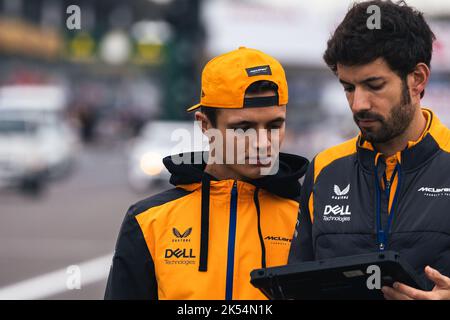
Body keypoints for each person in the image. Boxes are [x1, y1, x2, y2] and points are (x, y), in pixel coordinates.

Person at [105, 47, 309, 299]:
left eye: (274, 125)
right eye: (243, 127)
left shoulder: (307, 217)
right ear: (205, 124)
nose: (263, 143)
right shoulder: (149, 221)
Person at [288, 0, 450, 300]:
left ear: (417, 79)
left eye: (373, 85)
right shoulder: (324, 168)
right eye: (348, 87)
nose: (358, 104)